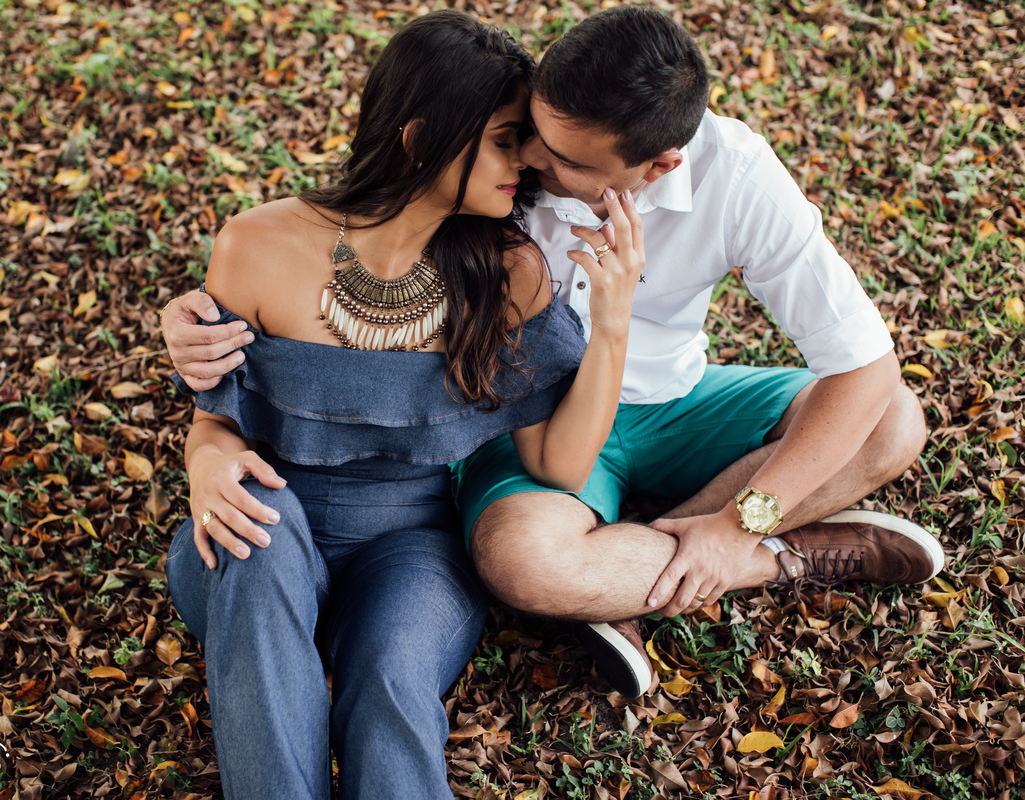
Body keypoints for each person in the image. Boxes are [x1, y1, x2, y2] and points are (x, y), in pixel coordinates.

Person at [162, 6, 944, 703]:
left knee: (893, 421)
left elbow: (865, 364)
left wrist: (742, 524)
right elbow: (365, 223)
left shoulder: (735, 176)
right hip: (538, 429)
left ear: (659, 165)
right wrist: (194, 321)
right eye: (525, 132)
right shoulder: (507, 158)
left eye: (566, 160)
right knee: (525, 562)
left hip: (674, 399)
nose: (532, 158)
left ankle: (669, 571)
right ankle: (765, 561)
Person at [163, 11, 644, 799]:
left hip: (412, 544)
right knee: (261, 528)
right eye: (502, 137)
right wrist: (207, 465)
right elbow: (215, 421)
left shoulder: (512, 272)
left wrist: (613, 325)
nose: (523, 161)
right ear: (422, 138)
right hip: (261, 528)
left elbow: (556, 464)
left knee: (390, 678)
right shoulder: (256, 245)